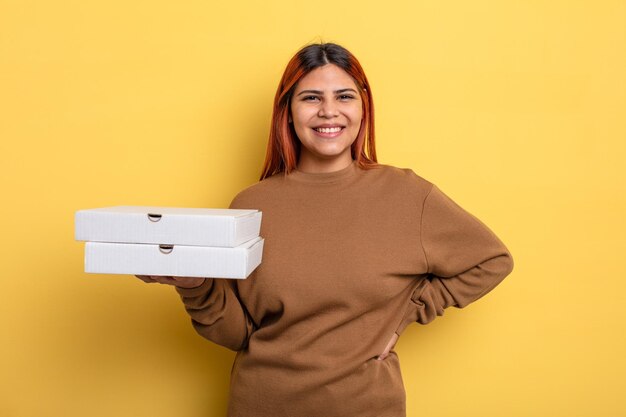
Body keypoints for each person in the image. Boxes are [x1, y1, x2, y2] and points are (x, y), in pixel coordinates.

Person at [136, 42, 514, 417]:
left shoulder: (407, 196)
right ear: (287, 112)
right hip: (260, 405)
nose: (328, 111)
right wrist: (193, 285)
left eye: (344, 96)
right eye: (311, 98)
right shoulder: (251, 205)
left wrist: (410, 312)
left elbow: (492, 260)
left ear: (363, 107)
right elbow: (238, 335)